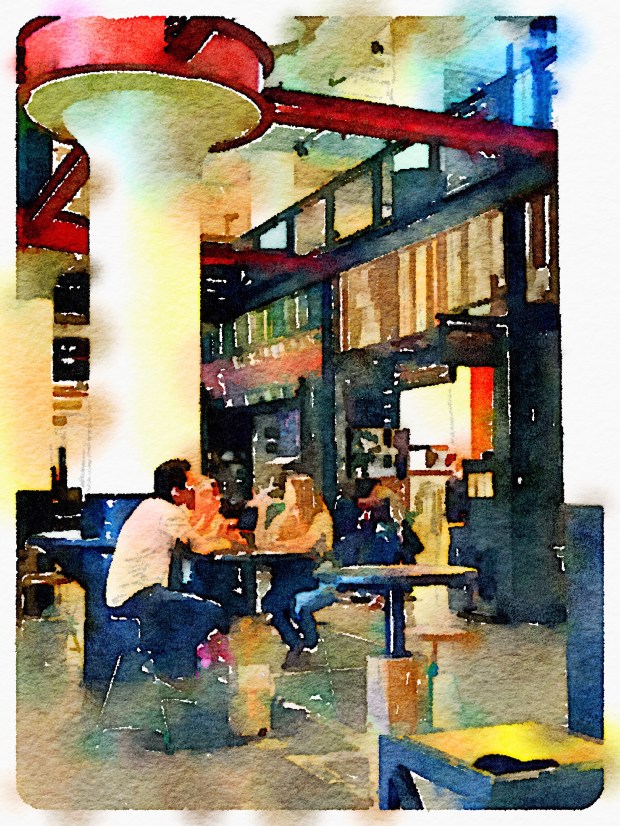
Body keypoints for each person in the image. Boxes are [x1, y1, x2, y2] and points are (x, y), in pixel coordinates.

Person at [105, 459, 230, 678]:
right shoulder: (169, 512)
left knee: (185, 613)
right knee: (212, 612)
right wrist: (228, 542)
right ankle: (169, 666)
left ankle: (170, 667)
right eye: (191, 487)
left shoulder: (150, 506)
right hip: (140, 594)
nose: (195, 492)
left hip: (128, 592)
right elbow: (199, 546)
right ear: (176, 491)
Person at [246, 473, 333, 669]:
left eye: (288, 491)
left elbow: (305, 544)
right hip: (285, 572)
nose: (285, 495)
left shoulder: (320, 516)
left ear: (300, 493)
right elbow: (262, 542)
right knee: (273, 604)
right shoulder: (286, 515)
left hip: (309, 572)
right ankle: (298, 642)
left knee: (276, 603)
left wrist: (278, 544)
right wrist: (262, 512)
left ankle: (303, 641)